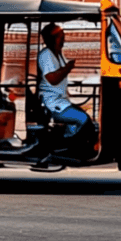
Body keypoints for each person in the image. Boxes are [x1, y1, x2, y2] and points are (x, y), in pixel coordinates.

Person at [37, 23, 92, 151]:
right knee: (83, 120)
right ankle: (68, 147)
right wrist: (67, 68)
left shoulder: (59, 54)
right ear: (53, 38)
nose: (63, 39)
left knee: (83, 115)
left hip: (61, 101)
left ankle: (68, 141)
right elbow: (53, 79)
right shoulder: (46, 55)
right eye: (60, 37)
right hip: (52, 103)